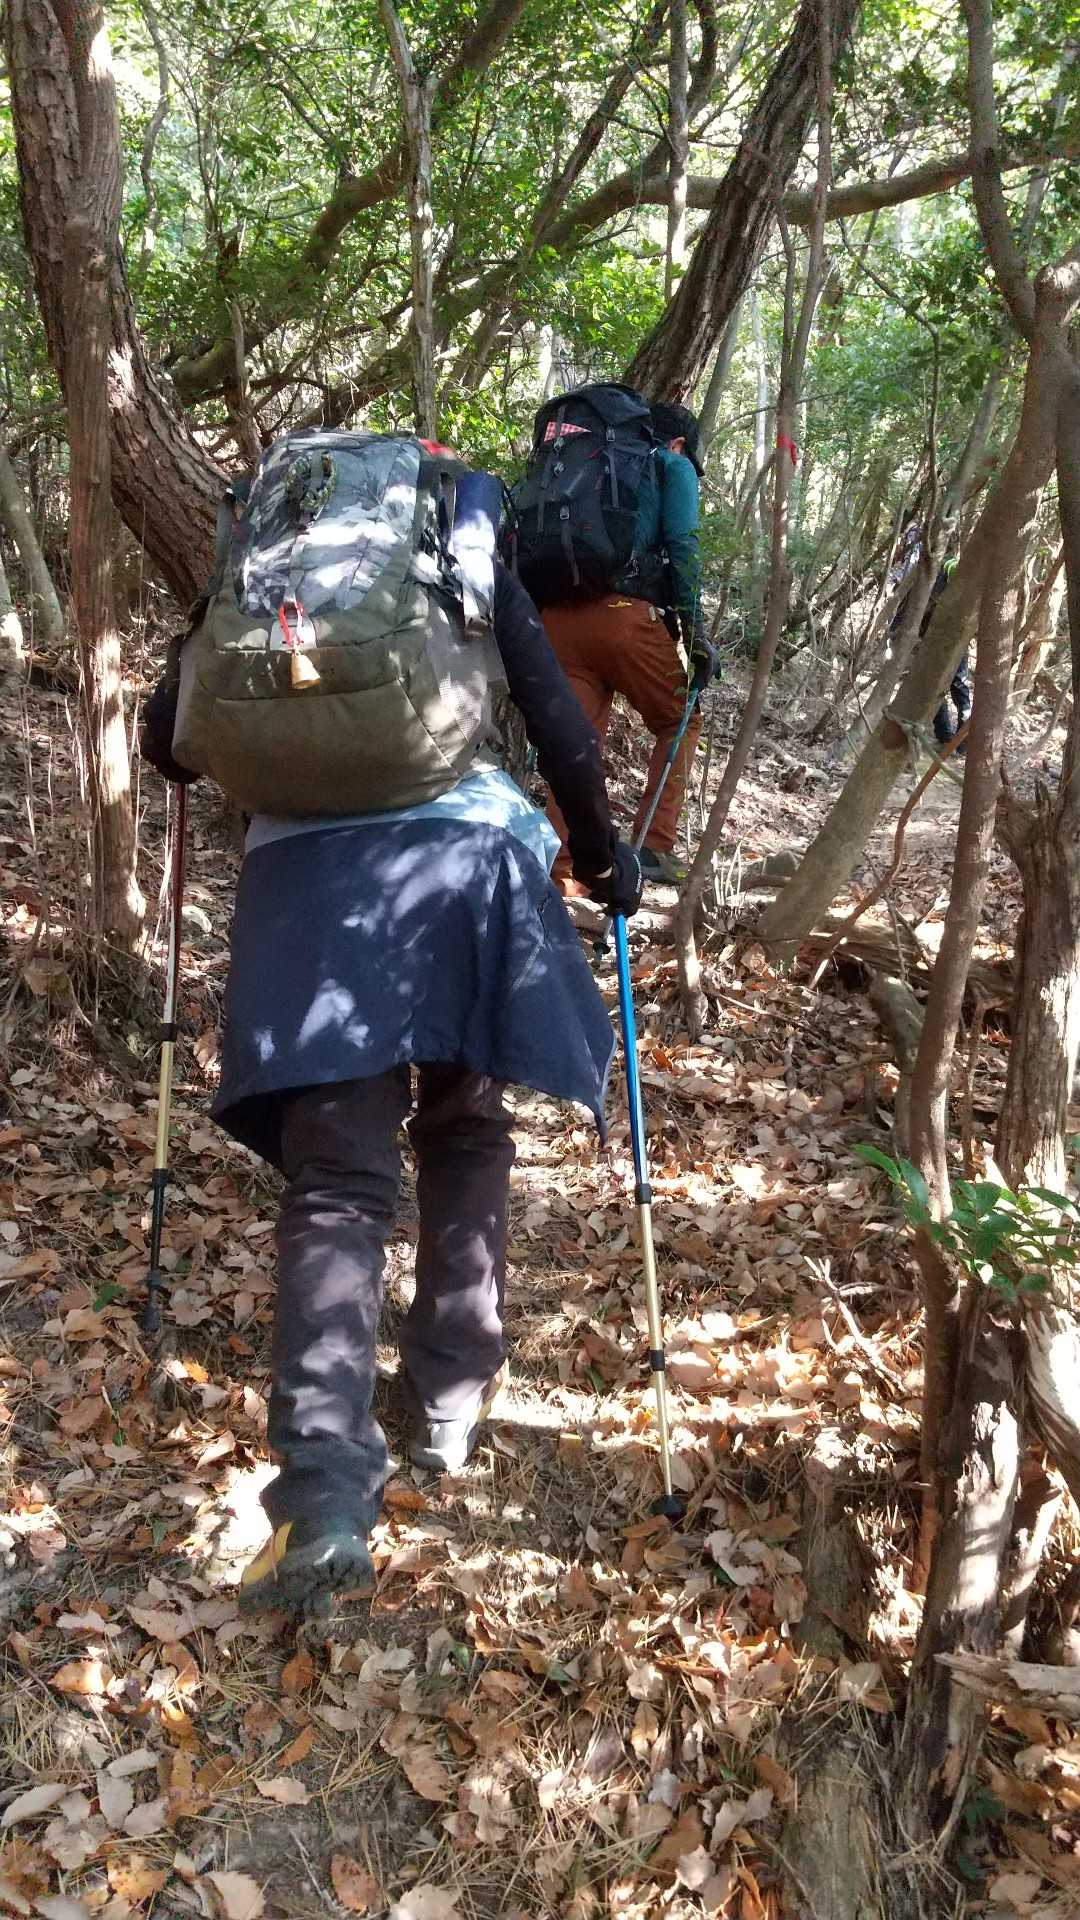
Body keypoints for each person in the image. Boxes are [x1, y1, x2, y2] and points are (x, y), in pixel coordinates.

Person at [141, 543, 642, 1613]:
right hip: (468, 862)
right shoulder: (462, 531)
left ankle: (323, 1492)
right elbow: (556, 715)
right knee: (464, 1123)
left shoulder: (265, 545)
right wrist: (606, 858)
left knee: (336, 1182)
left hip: (307, 882)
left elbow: (165, 737)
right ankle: (450, 1402)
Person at [541, 401, 713, 890]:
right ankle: (654, 846)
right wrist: (695, 632)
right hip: (622, 617)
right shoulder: (672, 464)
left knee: (577, 743)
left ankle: (562, 871)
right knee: (679, 720)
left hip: (556, 619)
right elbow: (683, 545)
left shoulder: (583, 460)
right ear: (678, 443)